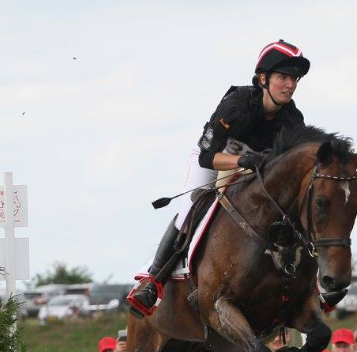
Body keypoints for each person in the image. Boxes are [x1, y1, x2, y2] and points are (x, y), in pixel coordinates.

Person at [127, 40, 310, 317]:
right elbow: (206, 157)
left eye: (294, 79)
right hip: (215, 159)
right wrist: (240, 161)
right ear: (263, 78)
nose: (290, 85)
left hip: (254, 169)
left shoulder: (293, 119)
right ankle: (153, 281)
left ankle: (311, 286)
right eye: (283, 77)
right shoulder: (236, 106)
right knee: (191, 208)